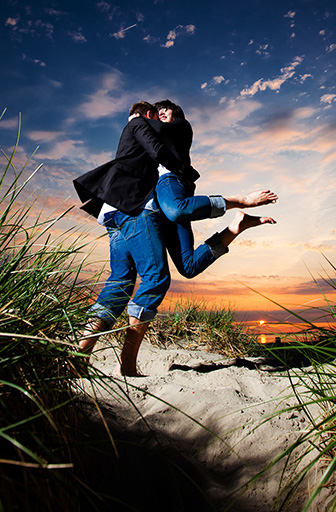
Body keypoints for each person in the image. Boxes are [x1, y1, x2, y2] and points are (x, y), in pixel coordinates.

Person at [73, 101, 276, 376]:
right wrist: (178, 164)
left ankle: (79, 354)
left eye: (164, 113)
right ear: (148, 115)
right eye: (156, 114)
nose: (160, 118)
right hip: (137, 208)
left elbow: (155, 142)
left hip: (117, 211)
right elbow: (153, 143)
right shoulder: (141, 124)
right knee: (155, 278)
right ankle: (128, 365)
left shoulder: (171, 128)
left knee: (124, 281)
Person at [150, 99, 277, 280]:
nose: (161, 112)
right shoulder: (153, 134)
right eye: (157, 111)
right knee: (189, 267)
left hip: (169, 183)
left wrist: (138, 120)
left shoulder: (179, 126)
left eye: (166, 109)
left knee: (177, 209)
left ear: (175, 112)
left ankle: (241, 201)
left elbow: (157, 131)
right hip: (161, 204)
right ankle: (237, 227)